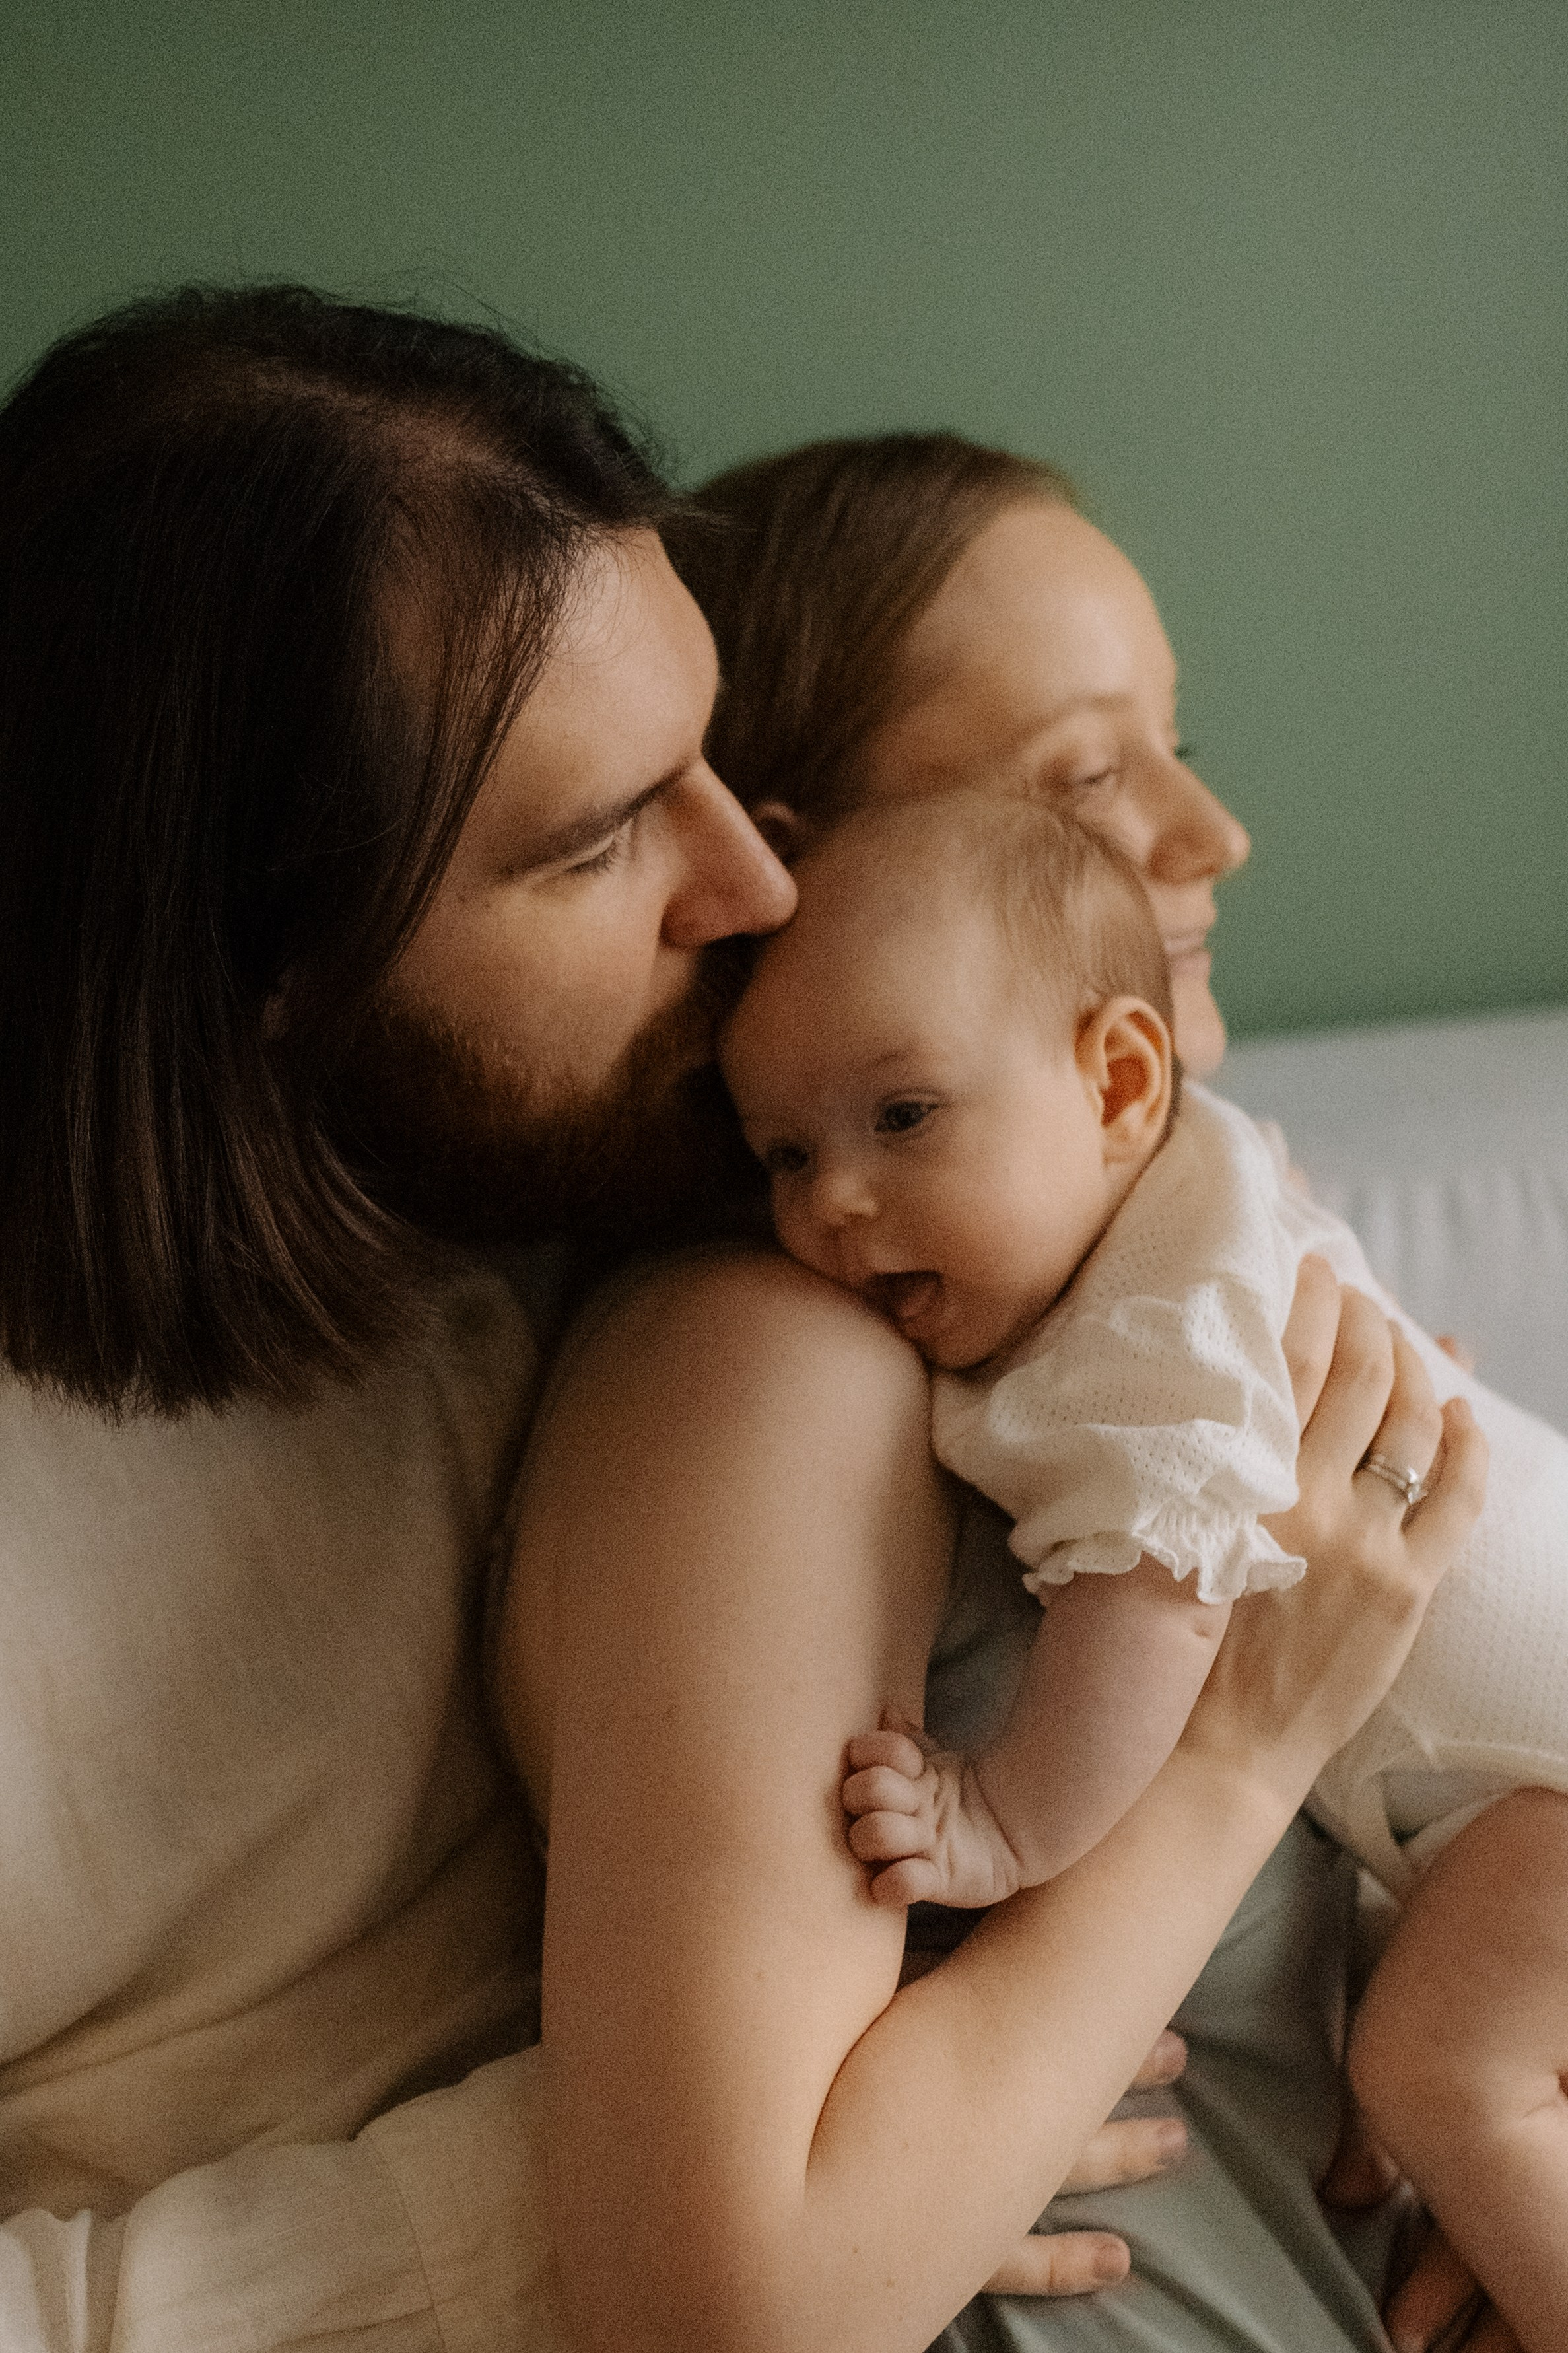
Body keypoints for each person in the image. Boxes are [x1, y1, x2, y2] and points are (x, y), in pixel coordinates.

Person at [0, 297, 1479, 2353]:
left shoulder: (588, 1211)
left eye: (718, 765)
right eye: (605, 836)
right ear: (274, 969)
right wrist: (594, 2177)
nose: (761, 887)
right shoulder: (739, 1357)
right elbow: (725, 2284)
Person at [664, 431, 1521, 2352]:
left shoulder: (1151, 1252)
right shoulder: (796, 1359)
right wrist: (1246, 1748)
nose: (1210, 838)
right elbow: (759, 2273)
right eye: (1080, 778)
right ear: (784, 875)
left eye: (1177, 740)